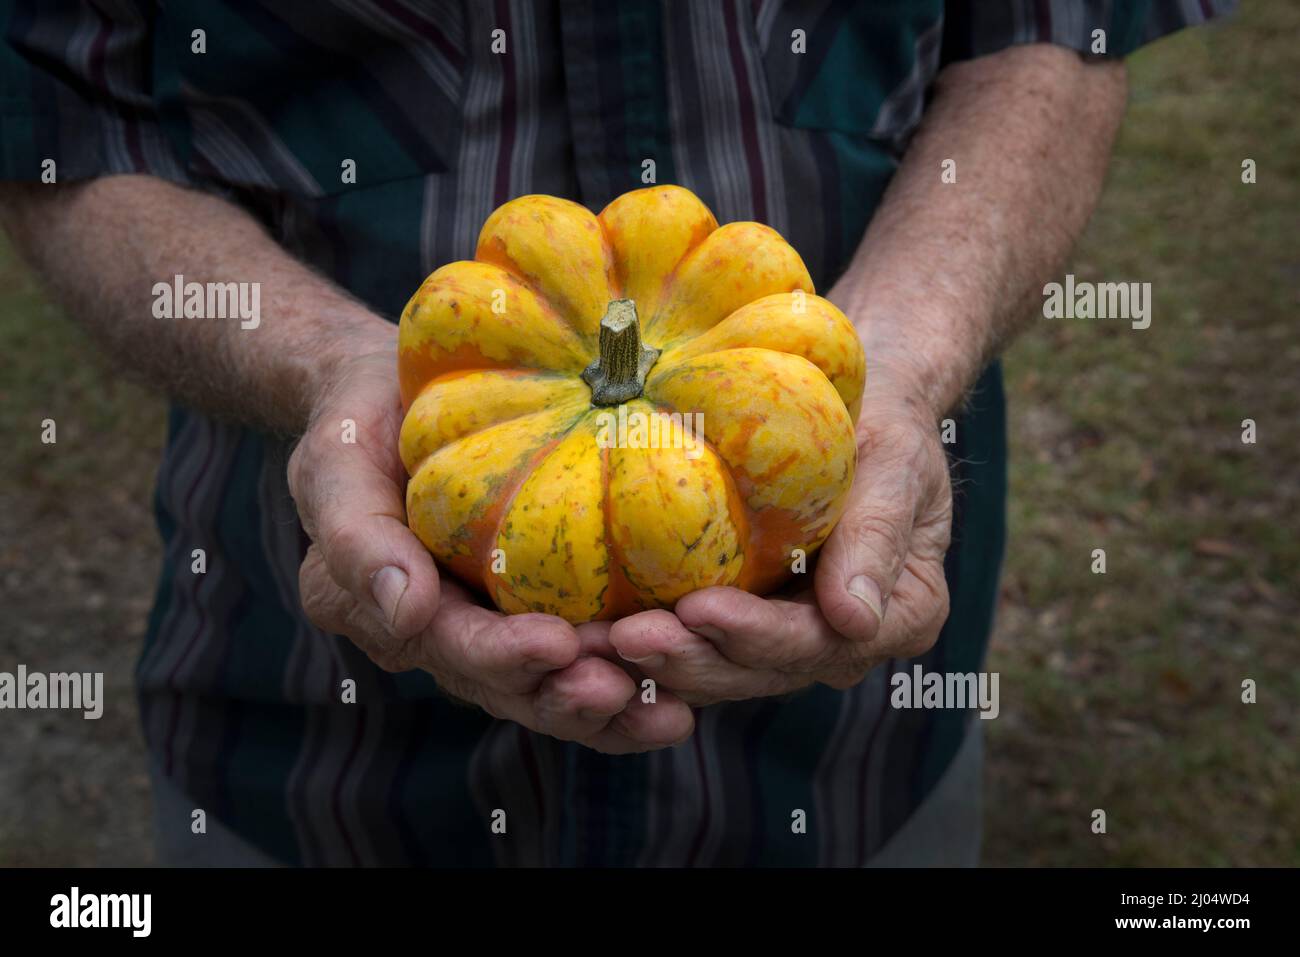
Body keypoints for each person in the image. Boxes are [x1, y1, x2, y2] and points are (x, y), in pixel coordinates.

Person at [0, 0, 1230, 866]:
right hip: (311, 743)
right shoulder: (473, 374)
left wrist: (897, 370)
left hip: (846, 769)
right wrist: (330, 368)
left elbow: (1052, 31)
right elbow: (59, 115)